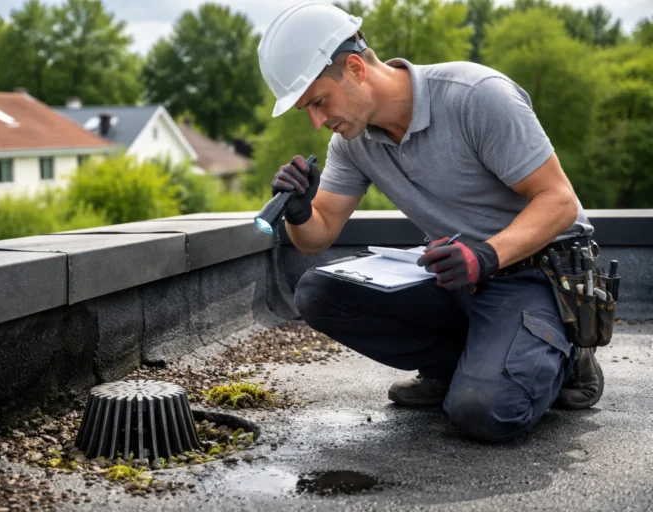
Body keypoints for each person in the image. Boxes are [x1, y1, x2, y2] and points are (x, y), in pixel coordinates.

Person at [256, 3, 603, 442]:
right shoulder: (352, 140)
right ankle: (455, 365)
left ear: (356, 67)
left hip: (537, 273)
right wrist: (301, 211)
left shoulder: (475, 96)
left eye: (319, 101)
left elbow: (559, 201)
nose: (317, 121)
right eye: (306, 108)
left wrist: (486, 255)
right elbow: (316, 237)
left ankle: (568, 354)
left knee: (485, 412)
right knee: (318, 293)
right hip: (456, 274)